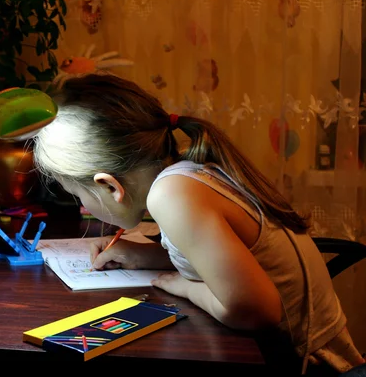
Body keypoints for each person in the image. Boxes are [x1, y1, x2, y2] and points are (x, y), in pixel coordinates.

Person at [32, 73, 365, 376]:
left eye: (77, 195)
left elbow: (255, 311)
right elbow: (227, 259)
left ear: (109, 186)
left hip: (314, 364)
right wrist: (144, 256)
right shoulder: (191, 171)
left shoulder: (171, 195)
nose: (81, 206)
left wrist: (183, 285)